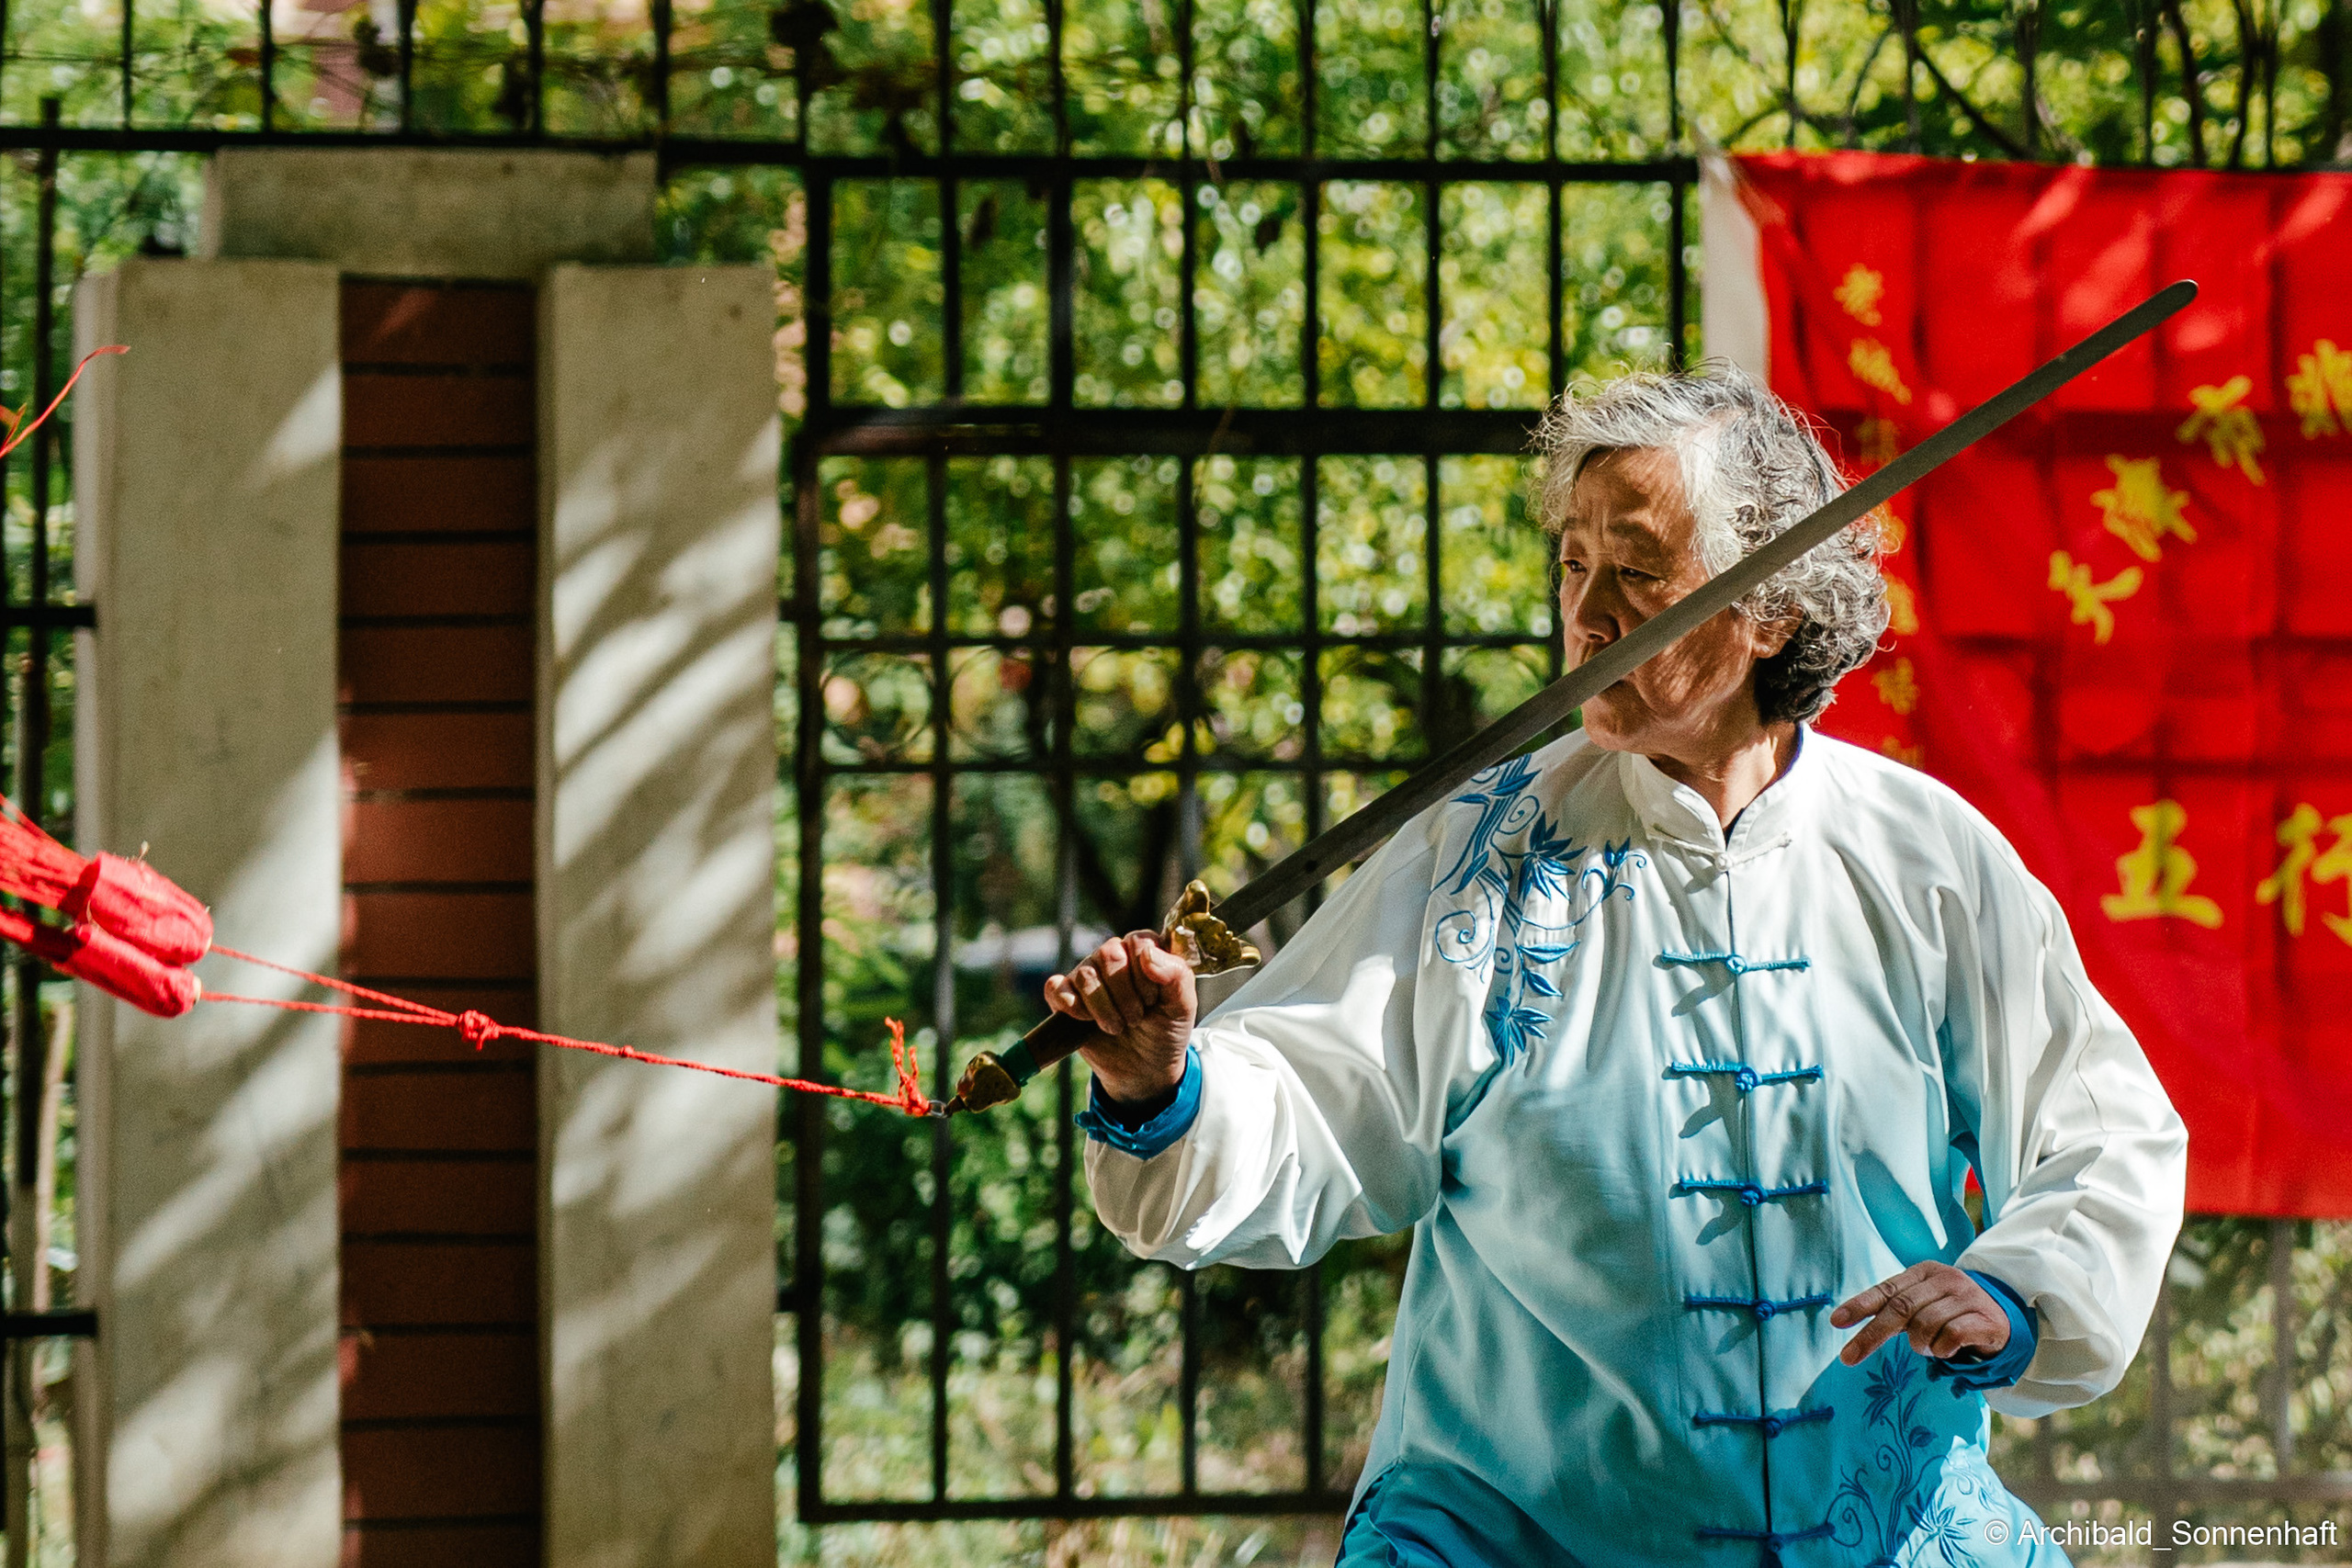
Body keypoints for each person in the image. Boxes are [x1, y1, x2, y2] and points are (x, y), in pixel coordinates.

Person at [1043, 363, 2188, 1568]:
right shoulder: (1482, 853)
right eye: (1572, 565)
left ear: (1771, 611)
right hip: (1516, 1532)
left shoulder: (1927, 858)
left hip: (1883, 1518)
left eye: (1636, 572)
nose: (1585, 616)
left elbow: (2102, 1129)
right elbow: (1312, 1097)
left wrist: (2011, 1293)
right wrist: (1160, 1086)